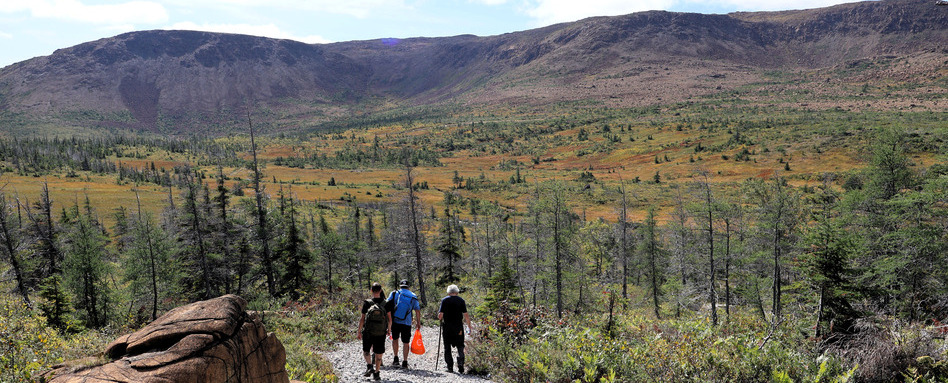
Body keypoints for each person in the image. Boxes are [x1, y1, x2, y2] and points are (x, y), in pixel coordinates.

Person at [358, 282, 391, 381]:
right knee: (378, 354)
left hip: (368, 331)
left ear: (371, 291)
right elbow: (390, 319)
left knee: (366, 350)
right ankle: (377, 373)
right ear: (381, 291)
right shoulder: (386, 303)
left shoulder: (367, 303)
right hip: (381, 332)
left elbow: (362, 318)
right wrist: (389, 329)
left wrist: (359, 331)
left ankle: (369, 366)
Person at [386, 279, 421, 369]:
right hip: (407, 322)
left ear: (400, 285)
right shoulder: (413, 296)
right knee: (406, 342)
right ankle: (405, 362)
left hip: (395, 321)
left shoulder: (394, 293)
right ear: (408, 286)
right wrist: (418, 322)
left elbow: (387, 305)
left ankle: (396, 358)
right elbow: (417, 310)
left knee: (395, 339)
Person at [438, 284, 472, 374]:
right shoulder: (461, 300)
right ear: (457, 292)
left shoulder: (444, 300)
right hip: (458, 327)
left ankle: (450, 367)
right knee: (460, 345)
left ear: (448, 292)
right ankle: (460, 363)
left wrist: (440, 317)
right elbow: (466, 315)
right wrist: (469, 326)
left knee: (447, 346)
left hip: (447, 327)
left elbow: (440, 315)